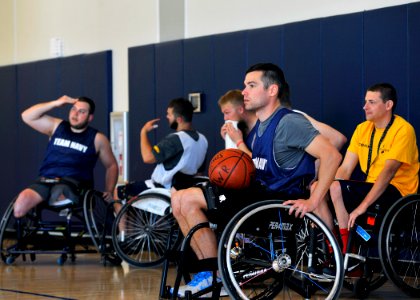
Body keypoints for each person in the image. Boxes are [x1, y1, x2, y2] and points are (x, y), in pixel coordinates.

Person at [170, 63, 342, 296]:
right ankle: (207, 274)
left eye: (251, 85)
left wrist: (313, 201)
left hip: (274, 204)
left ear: (272, 90)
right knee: (179, 199)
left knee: (189, 200)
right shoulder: (260, 126)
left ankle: (214, 276)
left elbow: (332, 154)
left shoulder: (289, 122)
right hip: (256, 197)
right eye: (244, 86)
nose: (244, 92)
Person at [320, 83, 419, 256]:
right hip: (371, 188)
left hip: (398, 193)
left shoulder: (403, 130)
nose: (364, 106)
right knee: (319, 189)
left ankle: (348, 255)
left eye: (371, 102)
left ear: (388, 105)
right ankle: (335, 248)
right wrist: (323, 193)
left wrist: (362, 207)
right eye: (365, 101)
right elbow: (345, 169)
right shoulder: (362, 129)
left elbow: (387, 173)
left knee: (335, 188)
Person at [14, 95, 118, 218]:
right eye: (73, 109)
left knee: (59, 193)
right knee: (20, 206)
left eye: (81, 111)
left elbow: (111, 165)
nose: (75, 114)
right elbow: (27, 116)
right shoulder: (57, 126)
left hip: (74, 184)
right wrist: (55, 103)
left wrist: (109, 190)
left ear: (90, 117)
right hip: (46, 179)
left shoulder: (97, 138)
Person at [116, 98, 208, 200]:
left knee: (118, 192)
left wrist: (143, 132)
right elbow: (199, 172)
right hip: (185, 190)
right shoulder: (203, 140)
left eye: (169, 114)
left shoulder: (177, 139)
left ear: (179, 119)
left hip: (162, 189)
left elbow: (147, 157)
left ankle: (123, 217)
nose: (167, 117)